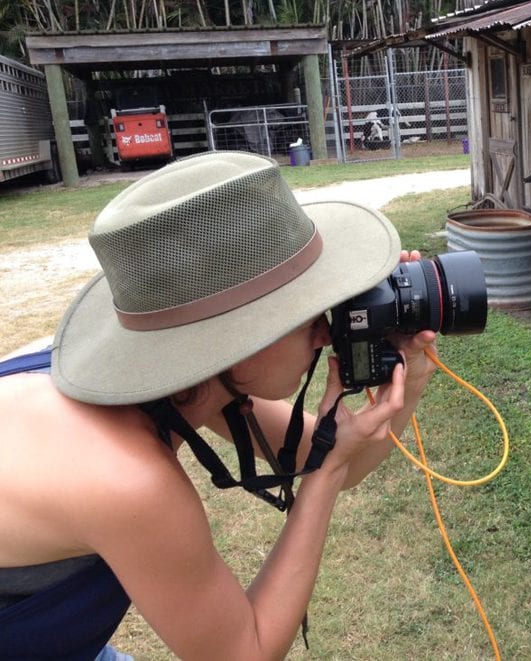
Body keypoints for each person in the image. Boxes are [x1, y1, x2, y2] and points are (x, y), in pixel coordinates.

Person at [0, 151, 437, 659]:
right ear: (229, 343)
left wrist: (414, 369)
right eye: (304, 312)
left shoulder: (171, 380)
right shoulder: (124, 479)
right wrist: (325, 473)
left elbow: (324, 457)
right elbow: (242, 653)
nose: (326, 329)